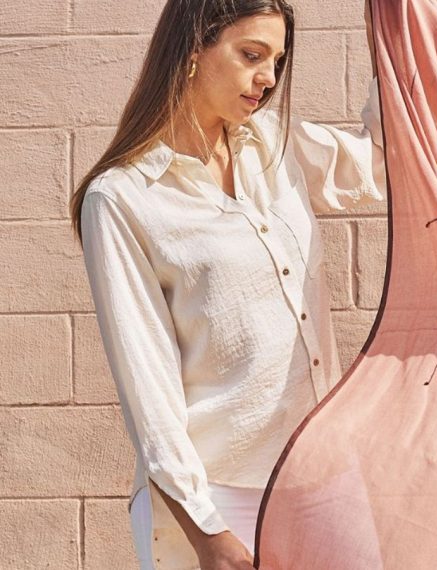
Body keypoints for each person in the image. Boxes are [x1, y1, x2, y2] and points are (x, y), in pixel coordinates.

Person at [69, 1, 385, 569]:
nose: (268, 77)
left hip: (324, 472)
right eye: (251, 55)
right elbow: (149, 392)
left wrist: (398, 41)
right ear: (192, 51)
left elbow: (384, 166)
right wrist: (207, 532)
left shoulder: (275, 145)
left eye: (277, 60)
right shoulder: (123, 199)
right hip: (220, 495)